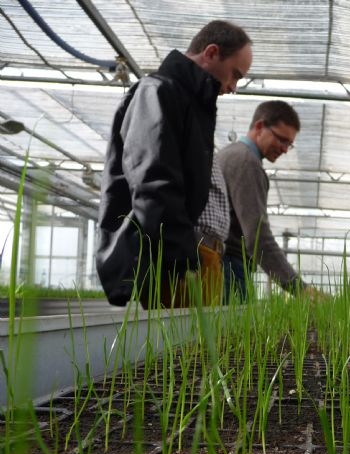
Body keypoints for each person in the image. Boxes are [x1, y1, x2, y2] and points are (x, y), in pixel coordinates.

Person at [96, 20, 252, 308]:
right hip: (175, 262)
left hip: (197, 257)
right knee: (180, 337)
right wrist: (181, 257)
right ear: (211, 53)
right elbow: (153, 178)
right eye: (235, 75)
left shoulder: (190, 103)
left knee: (200, 338)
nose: (233, 87)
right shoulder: (158, 92)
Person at [217, 100, 320, 300]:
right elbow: (257, 237)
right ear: (259, 127)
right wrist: (299, 288)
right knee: (230, 321)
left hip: (223, 263)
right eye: (281, 139)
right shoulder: (246, 163)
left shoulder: (230, 154)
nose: (284, 149)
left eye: (289, 144)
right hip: (229, 266)